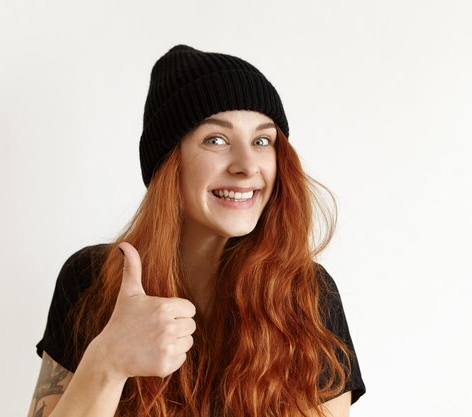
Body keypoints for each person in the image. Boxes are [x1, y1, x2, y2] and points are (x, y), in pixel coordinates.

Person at [27, 44, 366, 417]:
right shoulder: (90, 280)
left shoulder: (307, 294)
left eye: (262, 140)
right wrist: (108, 362)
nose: (247, 165)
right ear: (169, 163)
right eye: (216, 140)